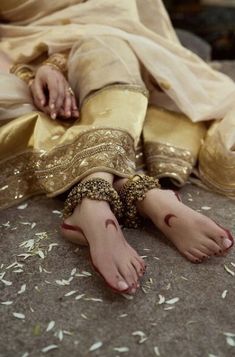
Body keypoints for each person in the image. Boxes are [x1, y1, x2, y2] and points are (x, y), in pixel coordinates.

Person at [0, 0, 234, 295]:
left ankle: (92, 200)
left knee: (107, 51)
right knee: (28, 104)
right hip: (19, 55)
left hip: (99, 39)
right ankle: (138, 190)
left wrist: (56, 63)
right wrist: (32, 75)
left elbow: (115, 14)